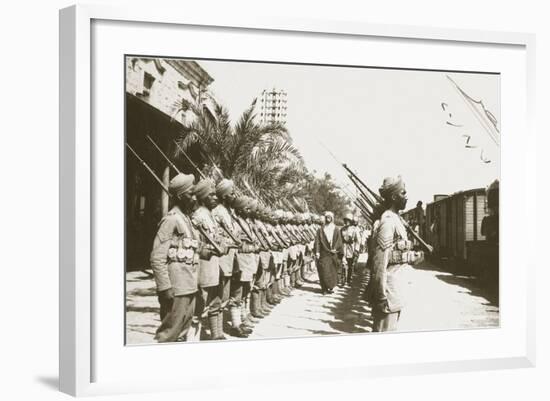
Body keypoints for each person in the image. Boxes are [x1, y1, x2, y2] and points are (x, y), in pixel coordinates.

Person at [150, 173, 216, 342]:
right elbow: (157, 257)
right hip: (176, 287)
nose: (195, 198)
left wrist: (209, 252)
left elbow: (192, 245)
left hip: (190, 285)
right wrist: (165, 287)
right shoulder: (171, 220)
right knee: (168, 334)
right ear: (180, 196)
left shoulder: (187, 219)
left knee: (182, 333)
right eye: (191, 194)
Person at [369, 176, 424, 332]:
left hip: (396, 291)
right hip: (388, 293)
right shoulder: (387, 221)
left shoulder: (396, 219)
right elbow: (379, 262)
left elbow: (396, 254)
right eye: (403, 192)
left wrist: (412, 257)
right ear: (393, 197)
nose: (406, 196)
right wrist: (380, 295)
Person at [211, 179, 250, 338]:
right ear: (224, 195)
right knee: (221, 296)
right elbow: (214, 237)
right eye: (231, 193)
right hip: (223, 260)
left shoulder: (230, 212)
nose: (235, 196)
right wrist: (232, 241)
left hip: (234, 260)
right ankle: (216, 332)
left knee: (236, 293)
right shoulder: (217, 212)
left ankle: (236, 324)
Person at [191, 178, 228, 340]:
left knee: (216, 302)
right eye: (211, 195)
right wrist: (210, 250)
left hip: (214, 266)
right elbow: (194, 244)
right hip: (203, 267)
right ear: (202, 196)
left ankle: (216, 334)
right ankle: (192, 338)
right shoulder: (197, 216)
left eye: (215, 194)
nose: (215, 197)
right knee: (199, 306)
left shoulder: (210, 215)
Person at [314, 211, 344, 294]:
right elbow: (317, 242)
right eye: (327, 217)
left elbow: (339, 241)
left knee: (332, 271)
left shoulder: (336, 229)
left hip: (333, 253)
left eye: (329, 218)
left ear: (332, 219)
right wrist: (317, 252)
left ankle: (330, 286)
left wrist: (336, 249)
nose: (328, 219)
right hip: (324, 253)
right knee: (323, 270)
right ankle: (324, 288)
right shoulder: (320, 230)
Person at [340, 213, 360, 287]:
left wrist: (356, 250)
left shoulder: (354, 230)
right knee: (343, 264)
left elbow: (358, 241)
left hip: (351, 249)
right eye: (345, 220)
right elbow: (340, 239)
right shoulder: (342, 229)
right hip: (344, 247)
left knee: (350, 265)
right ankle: (343, 279)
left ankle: (349, 279)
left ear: (351, 221)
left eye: (348, 220)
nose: (346, 222)